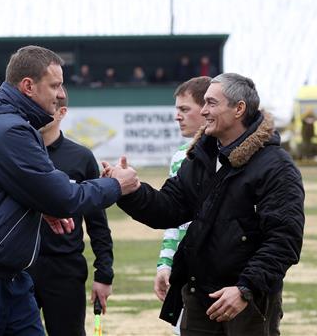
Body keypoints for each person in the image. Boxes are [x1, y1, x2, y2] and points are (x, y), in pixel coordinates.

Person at [0, 45, 138, 336]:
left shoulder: (9, 124)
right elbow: (63, 197)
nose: (61, 94)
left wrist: (37, 209)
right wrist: (117, 184)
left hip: (9, 277)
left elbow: (10, 190)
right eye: (55, 85)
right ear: (28, 86)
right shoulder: (9, 130)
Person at [104, 73, 305, 336]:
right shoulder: (201, 159)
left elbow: (284, 239)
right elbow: (167, 208)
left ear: (239, 109)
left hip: (247, 302)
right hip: (199, 297)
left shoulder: (275, 166)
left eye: (211, 103)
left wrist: (245, 289)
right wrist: (130, 191)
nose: (205, 111)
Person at [27, 87, 114, 336]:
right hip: (20, 267)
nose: (39, 116)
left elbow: (97, 223)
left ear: (62, 112)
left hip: (65, 271)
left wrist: (104, 273)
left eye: (48, 110)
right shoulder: (18, 153)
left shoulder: (81, 157)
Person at [154, 76, 211, 335]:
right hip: (185, 273)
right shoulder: (180, 157)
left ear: (208, 108)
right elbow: (175, 219)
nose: (177, 116)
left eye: (184, 109)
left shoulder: (230, 155)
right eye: (176, 110)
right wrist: (165, 264)